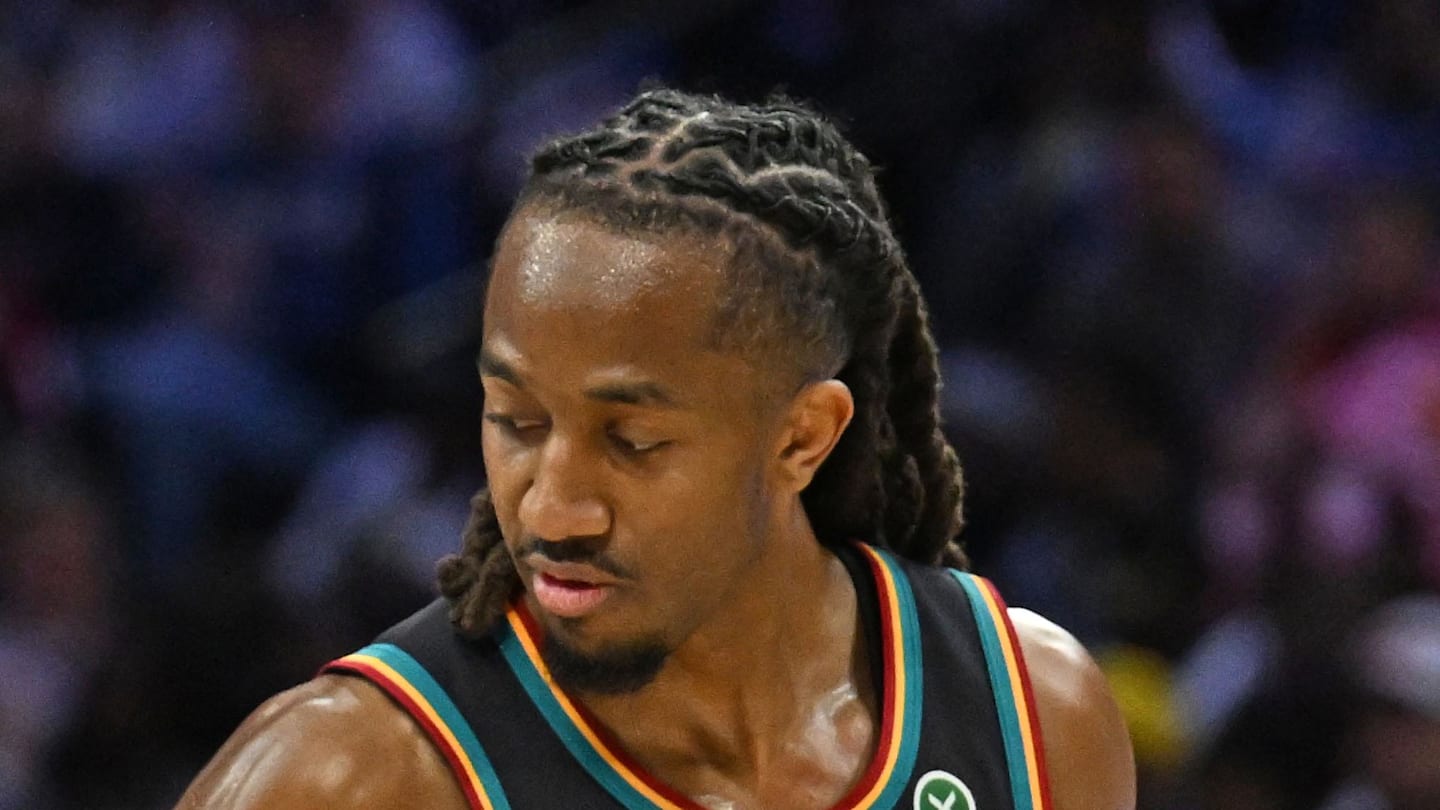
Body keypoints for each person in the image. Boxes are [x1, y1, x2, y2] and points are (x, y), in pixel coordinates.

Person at [177, 88, 1134, 810]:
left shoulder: (1033, 720)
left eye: (631, 441)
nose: (551, 509)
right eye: (515, 420)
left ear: (803, 437)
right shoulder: (351, 778)